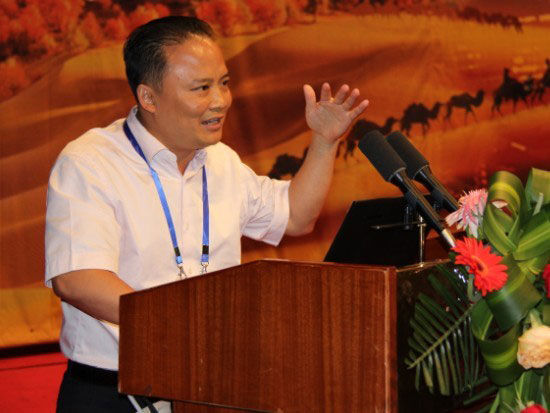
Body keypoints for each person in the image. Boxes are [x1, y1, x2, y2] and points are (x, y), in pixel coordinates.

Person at [45, 15, 369, 412]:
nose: (221, 101)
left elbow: (296, 217)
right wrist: (188, 324)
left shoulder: (220, 161)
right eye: (202, 88)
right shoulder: (90, 162)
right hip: (114, 393)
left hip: (208, 388)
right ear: (149, 98)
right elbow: (77, 279)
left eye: (224, 82)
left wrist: (324, 142)